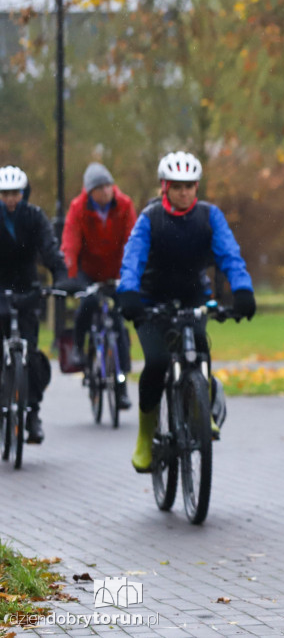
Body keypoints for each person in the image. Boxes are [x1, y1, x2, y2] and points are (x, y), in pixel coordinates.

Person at [117, 151, 256, 473]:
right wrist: (128, 295)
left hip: (193, 297)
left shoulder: (210, 216)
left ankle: (202, 410)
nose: (184, 192)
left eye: (190, 186)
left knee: (200, 350)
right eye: (177, 186)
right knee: (157, 362)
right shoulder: (150, 218)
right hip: (152, 301)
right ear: (165, 186)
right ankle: (145, 436)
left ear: (197, 187)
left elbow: (229, 255)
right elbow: (132, 260)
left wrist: (243, 290)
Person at [0, 165, 78, 444]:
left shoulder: (34, 217)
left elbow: (49, 248)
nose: (10, 199)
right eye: (5, 194)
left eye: (15, 193)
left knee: (31, 354)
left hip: (27, 289)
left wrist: (60, 277)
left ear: (24, 193)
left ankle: (32, 412)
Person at [61, 162, 137, 409]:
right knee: (88, 303)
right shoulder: (78, 207)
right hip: (88, 271)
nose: (106, 191)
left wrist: (131, 274)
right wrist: (70, 275)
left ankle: (122, 386)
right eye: (100, 188)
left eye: (108, 185)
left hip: (116, 271)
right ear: (90, 191)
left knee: (117, 321)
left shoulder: (124, 205)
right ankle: (79, 348)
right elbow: (70, 240)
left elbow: (133, 240)